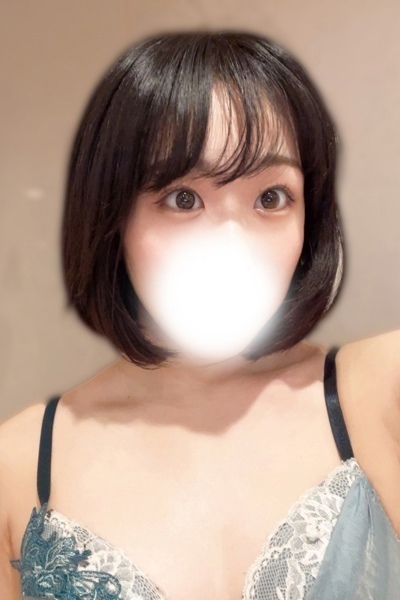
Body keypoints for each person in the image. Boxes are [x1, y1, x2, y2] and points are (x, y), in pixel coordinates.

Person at [1, 29, 400, 600]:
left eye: (271, 197)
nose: (233, 245)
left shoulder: (382, 392)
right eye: (183, 198)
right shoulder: (17, 464)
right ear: (113, 217)